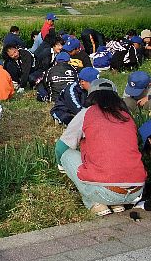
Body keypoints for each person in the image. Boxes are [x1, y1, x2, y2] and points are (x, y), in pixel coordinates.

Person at [55, 78, 146, 216]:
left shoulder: (87, 113)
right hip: (137, 191)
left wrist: (62, 167)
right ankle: (117, 204)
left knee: (67, 154)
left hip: (104, 192)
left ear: (91, 95)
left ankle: (95, 203)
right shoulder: (127, 116)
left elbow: (61, 146)